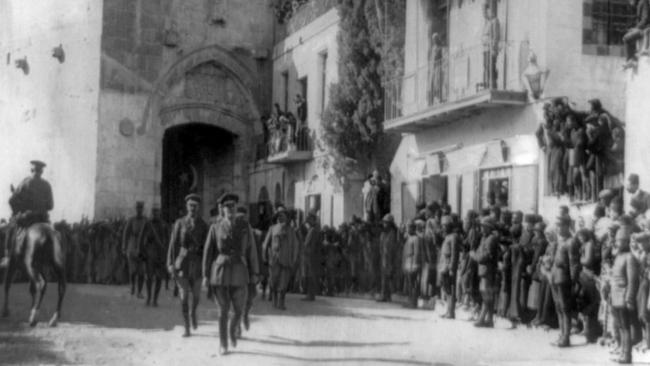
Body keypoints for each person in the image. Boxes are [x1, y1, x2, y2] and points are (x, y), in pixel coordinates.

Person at [202, 194, 259, 355]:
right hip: (220, 272)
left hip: (239, 271)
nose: (230, 209)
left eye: (233, 205)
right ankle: (223, 343)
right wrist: (206, 275)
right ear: (223, 209)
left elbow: (251, 250)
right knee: (223, 311)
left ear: (236, 207)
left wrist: (255, 272)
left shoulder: (244, 226)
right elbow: (208, 252)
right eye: (227, 206)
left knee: (239, 310)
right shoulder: (215, 227)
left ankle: (233, 329)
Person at [167, 193, 209, 337]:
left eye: (195, 206)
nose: (193, 208)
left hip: (197, 264)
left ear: (199, 207)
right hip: (182, 263)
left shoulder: (204, 225)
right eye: (190, 205)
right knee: (184, 297)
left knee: (196, 297)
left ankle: (193, 313)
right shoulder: (179, 223)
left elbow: (207, 248)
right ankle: (186, 327)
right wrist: (170, 264)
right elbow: (173, 245)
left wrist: (207, 268)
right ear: (187, 206)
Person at [1, 160, 54, 268]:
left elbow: (12, 200)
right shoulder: (47, 185)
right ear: (42, 171)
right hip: (43, 219)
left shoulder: (26, 182)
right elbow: (50, 206)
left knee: (11, 230)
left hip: (28, 218)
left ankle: (7, 257)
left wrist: (18, 211)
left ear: (31, 170)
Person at [608, 226, 640, 364]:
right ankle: (622, 352)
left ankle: (627, 355)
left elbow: (632, 281)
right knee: (620, 327)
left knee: (626, 327)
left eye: (620, 241)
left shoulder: (630, 258)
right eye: (616, 241)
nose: (617, 243)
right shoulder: (618, 257)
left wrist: (629, 299)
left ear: (626, 242)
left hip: (623, 297)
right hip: (615, 296)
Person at [262, 207, 299, 310]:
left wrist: (294, 259)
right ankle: (274, 300)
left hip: (286, 260)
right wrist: (264, 256)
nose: (281, 218)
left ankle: (281, 302)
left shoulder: (291, 231)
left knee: (284, 282)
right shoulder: (272, 229)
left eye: (283, 216)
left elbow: (295, 246)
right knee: (274, 281)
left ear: (287, 219)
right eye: (279, 216)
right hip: (274, 259)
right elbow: (265, 244)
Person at [549, 215, 577, 347]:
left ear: (567, 226)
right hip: (555, 277)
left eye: (561, 225)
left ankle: (566, 337)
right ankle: (561, 334)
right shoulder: (560, 241)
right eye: (557, 225)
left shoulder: (571, 242)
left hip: (564, 278)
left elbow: (573, 264)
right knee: (559, 308)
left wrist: (574, 281)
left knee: (565, 308)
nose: (558, 228)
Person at [138, 206, 170, 306]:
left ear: (160, 213)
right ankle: (149, 298)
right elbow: (141, 238)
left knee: (159, 277)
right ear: (152, 213)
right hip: (150, 254)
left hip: (160, 254)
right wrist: (141, 252)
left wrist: (167, 254)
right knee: (149, 277)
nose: (155, 214)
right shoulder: (147, 224)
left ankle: (155, 299)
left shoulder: (164, 225)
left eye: (157, 212)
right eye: (154, 212)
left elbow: (168, 240)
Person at [472, 216, 500, 327]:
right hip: (484, 270)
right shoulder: (485, 238)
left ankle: (482, 318)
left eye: (484, 227)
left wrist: (475, 256)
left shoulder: (491, 239)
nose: (482, 229)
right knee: (487, 295)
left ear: (489, 228)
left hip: (488, 270)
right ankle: (489, 319)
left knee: (486, 295)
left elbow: (486, 256)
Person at [122, 201, 147, 298]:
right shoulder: (131, 220)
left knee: (141, 272)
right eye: (138, 208)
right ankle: (132, 285)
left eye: (141, 208)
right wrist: (124, 247)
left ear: (143, 209)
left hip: (142, 248)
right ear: (136, 209)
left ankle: (139, 291)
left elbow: (149, 233)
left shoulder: (146, 220)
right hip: (132, 247)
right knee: (132, 271)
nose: (139, 210)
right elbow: (126, 234)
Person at [439, 215, 461, 319]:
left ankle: (451, 312)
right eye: (442, 226)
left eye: (445, 226)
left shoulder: (454, 237)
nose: (443, 228)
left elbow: (454, 254)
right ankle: (448, 310)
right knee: (447, 289)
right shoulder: (447, 237)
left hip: (448, 266)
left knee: (451, 289)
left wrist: (452, 268)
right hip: (444, 265)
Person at [300, 212, 322, 301]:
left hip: (311, 256)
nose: (308, 221)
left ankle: (311, 295)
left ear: (313, 219)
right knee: (309, 275)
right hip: (309, 255)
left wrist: (309, 254)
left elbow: (312, 245)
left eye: (309, 219)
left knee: (311, 275)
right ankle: (310, 294)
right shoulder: (312, 229)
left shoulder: (314, 230)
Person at [377, 214, 398, 302]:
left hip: (391, 259)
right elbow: (381, 247)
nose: (384, 225)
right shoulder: (383, 234)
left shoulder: (393, 234)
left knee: (389, 277)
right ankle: (383, 295)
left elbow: (394, 248)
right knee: (384, 277)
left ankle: (388, 295)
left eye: (386, 223)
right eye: (384, 223)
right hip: (384, 258)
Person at [403, 220, 424, 308]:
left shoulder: (416, 239)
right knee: (409, 283)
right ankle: (410, 300)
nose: (407, 229)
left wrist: (415, 265)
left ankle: (413, 302)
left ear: (413, 228)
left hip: (412, 263)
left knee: (413, 283)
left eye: (409, 227)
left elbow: (417, 253)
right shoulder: (409, 238)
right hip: (408, 262)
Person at [623, 0, 650, 66]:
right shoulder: (639, 4)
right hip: (643, 28)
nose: (630, 2)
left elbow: (645, 19)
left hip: (645, 29)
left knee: (626, 38)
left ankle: (630, 60)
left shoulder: (643, 2)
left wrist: (636, 28)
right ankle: (633, 58)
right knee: (630, 34)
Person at [481, 0, 500, 89]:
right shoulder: (486, 23)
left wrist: (494, 49)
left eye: (485, 11)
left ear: (489, 10)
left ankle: (492, 85)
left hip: (490, 49)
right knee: (486, 68)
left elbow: (496, 36)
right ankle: (487, 85)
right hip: (485, 49)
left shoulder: (494, 21)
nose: (484, 14)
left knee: (491, 68)